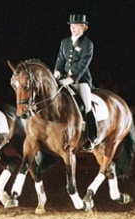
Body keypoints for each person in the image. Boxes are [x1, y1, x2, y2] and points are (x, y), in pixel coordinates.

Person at [53, 14, 97, 151]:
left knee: (87, 105)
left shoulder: (87, 44)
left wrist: (71, 78)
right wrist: (57, 72)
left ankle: (92, 137)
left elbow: (83, 64)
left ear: (83, 27)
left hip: (80, 81)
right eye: (71, 26)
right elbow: (60, 59)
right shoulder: (64, 42)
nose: (73, 28)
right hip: (63, 79)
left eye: (76, 26)